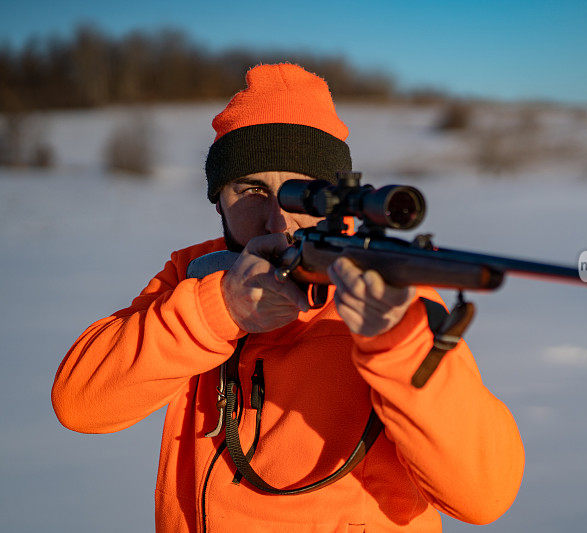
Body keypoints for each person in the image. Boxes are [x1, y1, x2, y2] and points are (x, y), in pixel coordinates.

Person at [52, 63, 525, 532]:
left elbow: (483, 495)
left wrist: (399, 347)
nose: (279, 222)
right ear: (218, 198)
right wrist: (219, 311)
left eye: (304, 197)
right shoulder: (195, 276)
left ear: (337, 204)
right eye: (252, 190)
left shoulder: (389, 296)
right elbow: (82, 404)